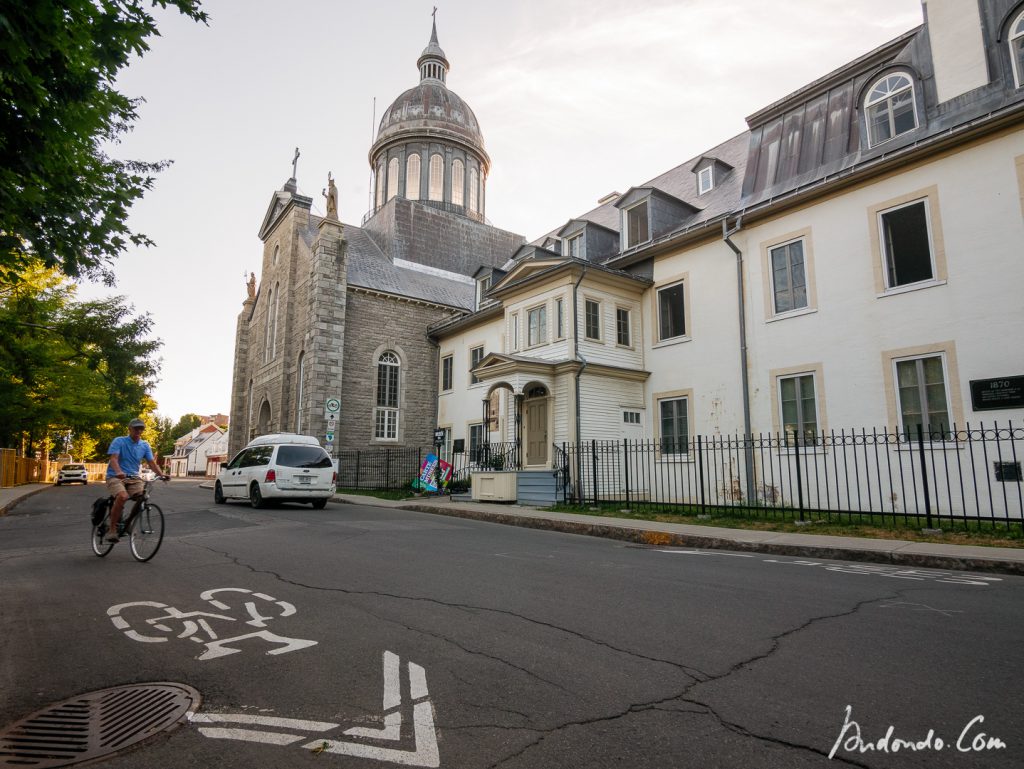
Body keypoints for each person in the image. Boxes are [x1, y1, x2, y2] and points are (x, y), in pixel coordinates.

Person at [105, 418, 167, 543]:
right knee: (122, 496)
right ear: (129, 429)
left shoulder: (144, 445)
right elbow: (114, 459)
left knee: (142, 498)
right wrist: (118, 471)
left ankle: (128, 523)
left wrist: (162, 475)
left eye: (141, 428)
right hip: (115, 476)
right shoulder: (119, 441)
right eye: (136, 428)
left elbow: (151, 463)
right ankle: (112, 529)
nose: (139, 431)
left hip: (134, 478)